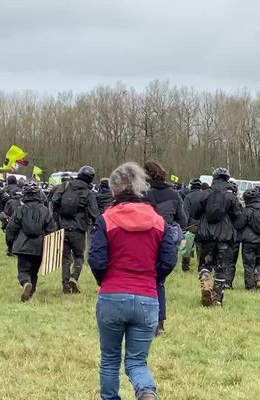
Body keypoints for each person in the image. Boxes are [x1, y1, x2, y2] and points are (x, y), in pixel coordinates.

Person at [88, 162, 178, 400]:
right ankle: (146, 391)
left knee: (109, 359)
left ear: (114, 190)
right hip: (147, 298)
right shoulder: (159, 221)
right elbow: (169, 259)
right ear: (140, 188)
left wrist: (105, 280)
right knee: (138, 361)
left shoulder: (106, 219)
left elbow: (96, 259)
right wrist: (152, 277)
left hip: (112, 295)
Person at [143, 160, 187, 335]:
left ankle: (144, 320)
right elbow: (183, 220)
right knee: (159, 282)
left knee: (143, 280)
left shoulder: (143, 194)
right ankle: (159, 323)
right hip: (167, 239)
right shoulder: (174, 195)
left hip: (147, 239)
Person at [193, 167, 242, 307]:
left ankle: (205, 281)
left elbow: (195, 213)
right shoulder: (230, 197)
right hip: (224, 237)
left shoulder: (204, 194)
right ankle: (217, 299)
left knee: (204, 264)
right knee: (221, 268)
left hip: (206, 235)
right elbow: (237, 216)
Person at [5, 181, 57, 302]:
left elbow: (11, 228)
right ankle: (31, 291)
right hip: (39, 246)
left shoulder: (20, 209)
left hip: (22, 246)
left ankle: (26, 284)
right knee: (34, 271)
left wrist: (10, 244)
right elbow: (51, 229)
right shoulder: (44, 210)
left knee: (23, 270)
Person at [52, 166, 98, 294]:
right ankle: (74, 277)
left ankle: (65, 285)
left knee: (65, 258)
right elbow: (94, 213)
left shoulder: (66, 185)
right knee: (79, 256)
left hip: (62, 228)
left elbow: (54, 200)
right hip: (78, 230)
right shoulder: (88, 193)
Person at [181, 179, 203, 272]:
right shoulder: (204, 196)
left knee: (187, 247)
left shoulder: (188, 198)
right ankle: (201, 266)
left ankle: (185, 266)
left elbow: (185, 213)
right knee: (201, 248)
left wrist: (185, 226)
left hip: (191, 226)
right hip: (202, 226)